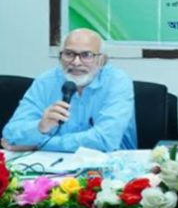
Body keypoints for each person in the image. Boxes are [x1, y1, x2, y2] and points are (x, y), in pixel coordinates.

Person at [2, 29, 137, 152]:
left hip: (110, 165)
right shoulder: (46, 81)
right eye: (69, 54)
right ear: (60, 57)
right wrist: (40, 127)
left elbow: (104, 140)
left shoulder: (117, 81)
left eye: (86, 55)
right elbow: (10, 135)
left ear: (102, 60)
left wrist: (39, 144)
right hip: (50, 164)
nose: (76, 62)